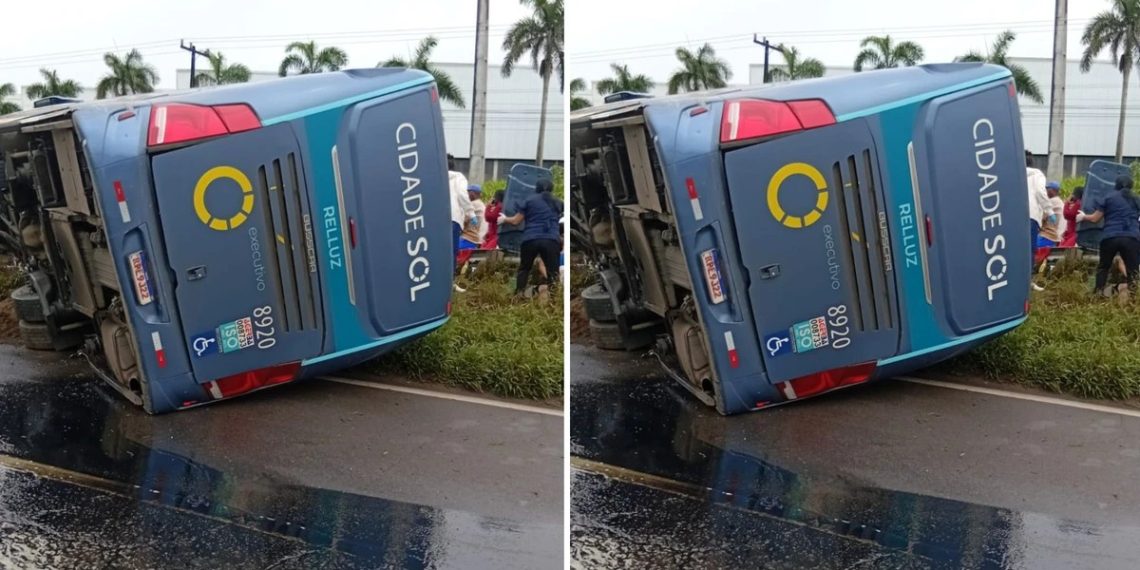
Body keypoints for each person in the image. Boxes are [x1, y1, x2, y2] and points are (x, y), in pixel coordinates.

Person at [1076, 175, 1140, 294]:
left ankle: (1098, 294)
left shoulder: (1108, 197)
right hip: (1131, 238)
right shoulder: (1136, 199)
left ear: (1116, 185)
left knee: (1103, 267)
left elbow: (1095, 218)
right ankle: (1133, 297)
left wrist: (1083, 216)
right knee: (1133, 271)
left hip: (1110, 237)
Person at [499, 179, 563, 297]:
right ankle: (554, 299)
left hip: (530, 239)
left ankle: (519, 295)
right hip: (551, 239)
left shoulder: (529, 200)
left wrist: (504, 219)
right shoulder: (558, 202)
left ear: (536, 188)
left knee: (524, 268)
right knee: (553, 272)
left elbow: (516, 221)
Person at [448, 155, 477, 292]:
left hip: (434, 220)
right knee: (451, 252)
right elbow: (461, 195)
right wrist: (471, 213)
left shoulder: (433, 176)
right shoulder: (458, 177)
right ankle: (450, 284)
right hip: (452, 218)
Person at [1025, 152, 1053, 291]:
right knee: (1029, 249)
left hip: (1012, 217)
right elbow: (1040, 193)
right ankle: (1027, 282)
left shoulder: (1011, 173)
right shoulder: (1037, 174)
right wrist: (1050, 211)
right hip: (1031, 216)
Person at [459, 184, 486, 248]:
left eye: (467, 193)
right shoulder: (481, 204)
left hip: (468, 238)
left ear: (472, 193)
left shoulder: (473, 204)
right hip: (475, 238)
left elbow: (462, 221)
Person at [1038, 180, 1064, 247]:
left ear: (1053, 190)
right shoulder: (1059, 201)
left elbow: (1040, 218)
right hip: (1053, 236)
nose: (1045, 191)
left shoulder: (1051, 202)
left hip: (1047, 235)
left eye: (1047, 189)